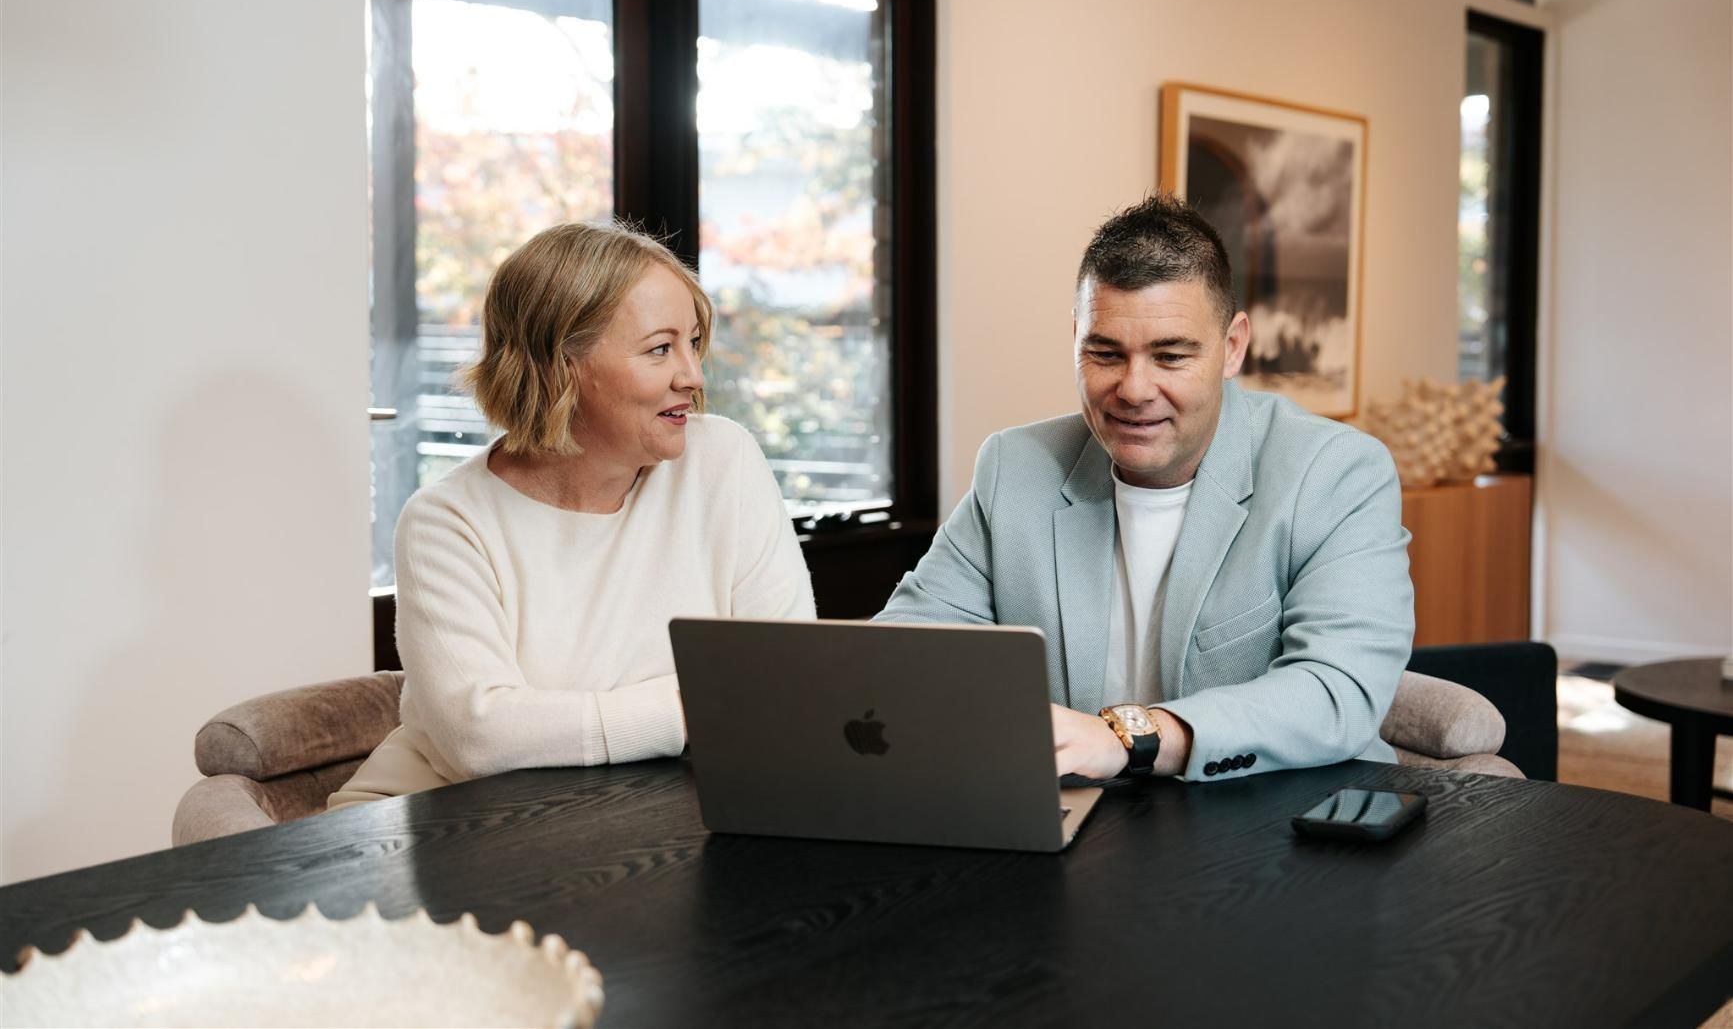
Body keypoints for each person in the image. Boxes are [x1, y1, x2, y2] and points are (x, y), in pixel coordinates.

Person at [877, 193, 1412, 782]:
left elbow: (1339, 690)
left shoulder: (1334, 473)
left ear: (1232, 347)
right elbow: (909, 650)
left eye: (1170, 356)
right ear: (1075, 339)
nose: (1134, 390)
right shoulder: (1016, 467)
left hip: (1278, 821)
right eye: (1105, 353)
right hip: (1085, 818)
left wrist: (1130, 737)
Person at [330, 222, 814, 809]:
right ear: (560, 365)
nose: (692, 376)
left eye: (693, 343)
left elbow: (787, 680)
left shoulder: (723, 461)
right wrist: (700, 706)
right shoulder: (446, 522)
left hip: (642, 814)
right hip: (446, 821)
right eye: (660, 349)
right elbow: (478, 738)